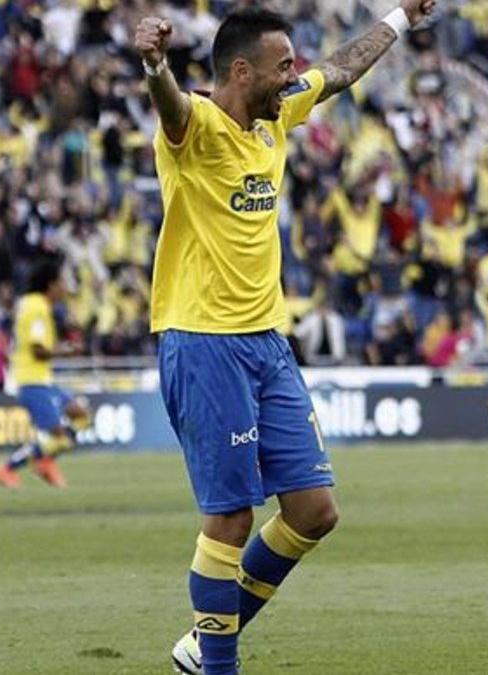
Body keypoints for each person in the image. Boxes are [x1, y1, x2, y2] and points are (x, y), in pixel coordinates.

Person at [136, 3, 437, 673]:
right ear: (241, 71)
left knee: (313, 510)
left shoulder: (277, 118)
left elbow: (341, 69)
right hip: (204, 340)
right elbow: (170, 106)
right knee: (232, 518)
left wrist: (400, 18)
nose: (293, 77)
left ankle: (205, 639)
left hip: (267, 343)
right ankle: (219, 664)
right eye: (282, 67)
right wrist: (155, 64)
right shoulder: (198, 129)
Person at [0, 259, 89, 489]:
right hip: (31, 380)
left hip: (41, 379)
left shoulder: (31, 304)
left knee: (80, 415)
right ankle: (7, 467)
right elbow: (38, 350)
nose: (65, 287)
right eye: (62, 282)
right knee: (60, 436)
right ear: (50, 284)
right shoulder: (37, 307)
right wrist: (68, 350)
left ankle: (44, 459)